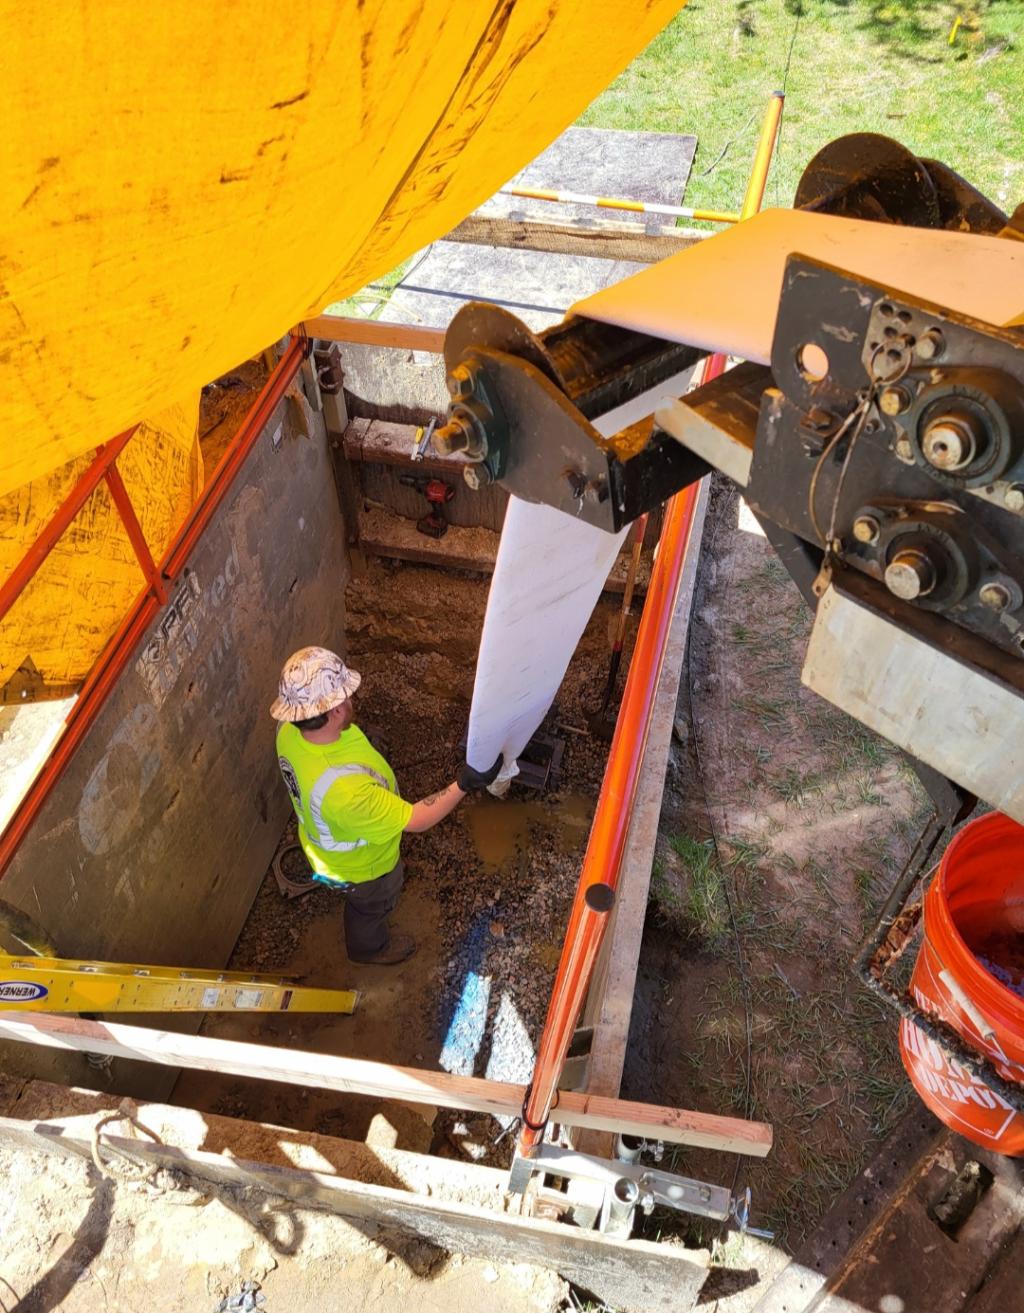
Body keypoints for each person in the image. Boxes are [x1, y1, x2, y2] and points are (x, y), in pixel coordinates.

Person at [270, 646, 501, 965]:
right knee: (373, 905)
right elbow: (418, 819)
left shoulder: (288, 731)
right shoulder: (348, 793)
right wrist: (465, 783)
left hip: (322, 835)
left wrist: (366, 749)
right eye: (346, 697)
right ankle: (368, 950)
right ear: (335, 710)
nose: (351, 701)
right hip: (363, 869)